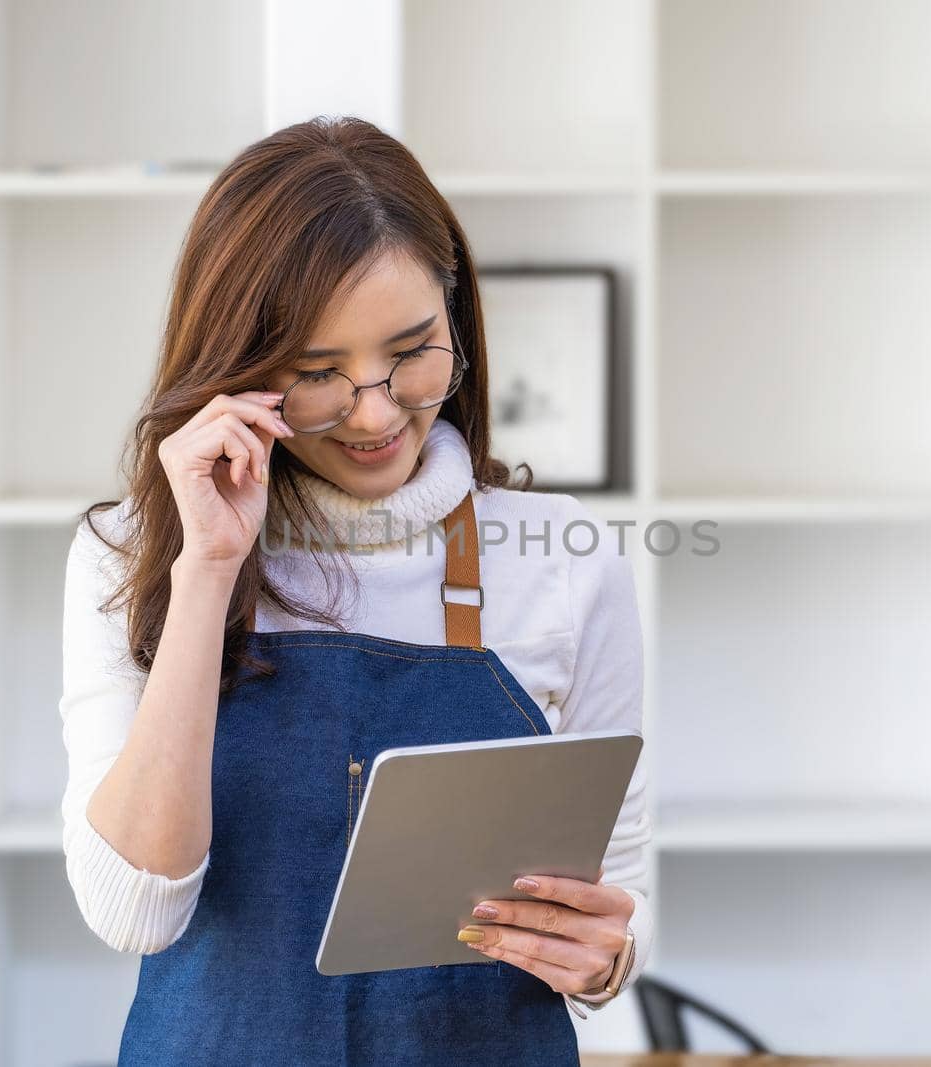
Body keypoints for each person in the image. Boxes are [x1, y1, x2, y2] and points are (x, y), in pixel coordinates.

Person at [57, 115, 652, 1065]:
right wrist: (207, 572)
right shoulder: (125, 552)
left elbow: (618, 886)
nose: (375, 412)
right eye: (317, 373)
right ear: (240, 371)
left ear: (456, 318)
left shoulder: (564, 557)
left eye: (412, 351)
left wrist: (604, 958)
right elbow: (135, 908)